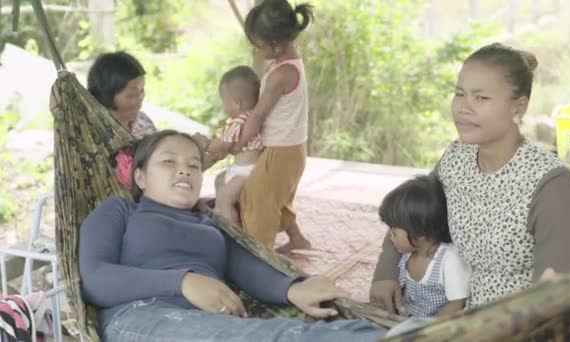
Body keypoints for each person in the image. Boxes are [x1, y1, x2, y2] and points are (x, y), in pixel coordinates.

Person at [79, 130, 386, 342]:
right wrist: (183, 282)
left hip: (212, 325)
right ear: (141, 177)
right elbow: (95, 279)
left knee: (294, 331)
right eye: (169, 162)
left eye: (193, 165)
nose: (184, 170)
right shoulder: (121, 211)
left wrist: (292, 289)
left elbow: (249, 269)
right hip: (140, 317)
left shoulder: (210, 226)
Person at [370, 43, 570, 314]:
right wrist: (385, 272)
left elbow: (553, 300)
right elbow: (410, 212)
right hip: (453, 311)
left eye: (481, 98)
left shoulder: (552, 185)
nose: (463, 108)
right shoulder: (456, 158)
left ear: (518, 108)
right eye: (460, 94)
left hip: (516, 324)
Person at [231, 0, 312, 252]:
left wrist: (238, 142)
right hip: (291, 148)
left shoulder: (280, 75)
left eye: (259, 46)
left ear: (276, 44)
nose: (257, 50)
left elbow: (258, 115)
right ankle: (297, 238)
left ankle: (260, 255)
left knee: (257, 199)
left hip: (282, 150)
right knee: (279, 197)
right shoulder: (285, 62)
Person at [378, 175, 470, 318]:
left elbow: (457, 304)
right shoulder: (407, 254)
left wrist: (428, 330)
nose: (390, 237)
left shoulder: (449, 260)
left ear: (418, 233)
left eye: (394, 232)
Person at [195, 66, 264, 224]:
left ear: (235, 102)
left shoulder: (239, 121)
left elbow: (222, 146)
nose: (224, 107)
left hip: (246, 172)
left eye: (223, 102)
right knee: (220, 179)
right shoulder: (254, 118)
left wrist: (205, 144)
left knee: (225, 197)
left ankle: (230, 228)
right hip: (242, 169)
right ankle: (221, 211)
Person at [50, 51, 156, 138]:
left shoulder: (143, 125)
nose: (140, 98)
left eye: (142, 91)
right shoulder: (85, 132)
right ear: (107, 95)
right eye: (131, 94)